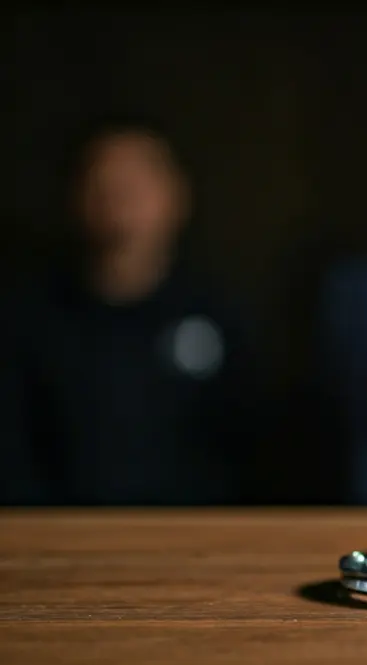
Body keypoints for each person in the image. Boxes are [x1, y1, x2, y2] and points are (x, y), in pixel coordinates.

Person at [0, 117, 261, 505]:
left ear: (177, 195)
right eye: (104, 182)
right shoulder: (29, 320)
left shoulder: (220, 314)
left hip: (197, 529)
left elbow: (253, 447)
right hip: (59, 528)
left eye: (137, 183)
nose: (120, 197)